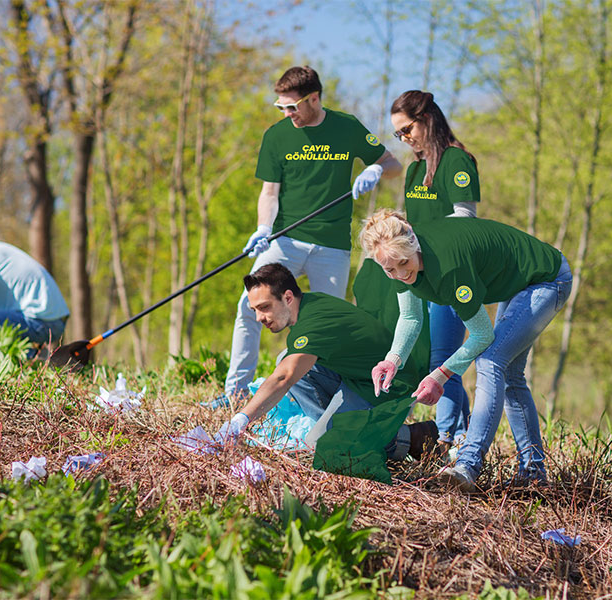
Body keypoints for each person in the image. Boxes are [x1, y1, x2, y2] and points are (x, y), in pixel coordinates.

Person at [223, 65, 402, 400]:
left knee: (328, 327)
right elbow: (269, 192)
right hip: (285, 240)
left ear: (314, 98)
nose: (288, 113)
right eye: (281, 108)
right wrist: (264, 226)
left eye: (292, 106)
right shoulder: (276, 136)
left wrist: (377, 168)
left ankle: (333, 395)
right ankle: (235, 392)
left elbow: (394, 163)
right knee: (248, 306)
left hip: (332, 246)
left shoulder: (346, 127)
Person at [360, 210, 573, 491]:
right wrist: (392, 360)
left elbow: (482, 335)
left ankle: (468, 465)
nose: (401, 275)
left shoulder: (449, 268)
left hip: (547, 279)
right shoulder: (395, 255)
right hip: (519, 283)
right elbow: (411, 317)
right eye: (390, 270)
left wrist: (440, 375)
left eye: (403, 264)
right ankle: (533, 474)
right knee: (510, 374)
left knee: (490, 361)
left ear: (413, 242)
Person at [214, 263, 438, 482]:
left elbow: (284, 377)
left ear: (288, 297)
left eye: (264, 307)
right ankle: (342, 430)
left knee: (319, 447)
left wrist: (240, 420)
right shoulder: (308, 306)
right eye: (255, 310)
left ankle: (410, 437)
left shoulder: (315, 321)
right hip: (358, 378)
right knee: (286, 357)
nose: (259, 318)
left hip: (389, 386)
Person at [387, 90, 479, 450]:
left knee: (444, 360)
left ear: (426, 119)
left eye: (406, 129)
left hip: (451, 272)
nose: (404, 139)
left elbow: (466, 221)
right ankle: (457, 433)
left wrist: (428, 242)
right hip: (419, 273)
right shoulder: (413, 170)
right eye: (398, 134)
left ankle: (451, 439)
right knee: (432, 356)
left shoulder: (456, 162)